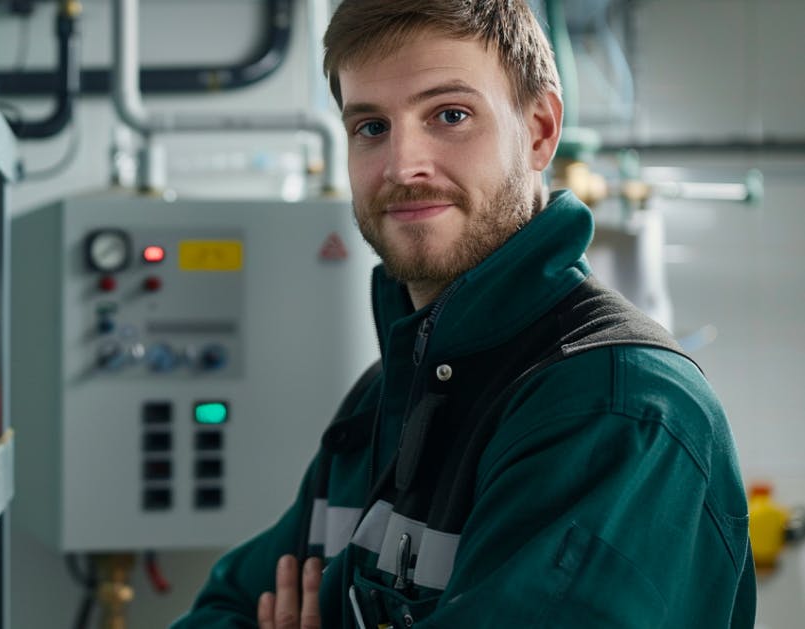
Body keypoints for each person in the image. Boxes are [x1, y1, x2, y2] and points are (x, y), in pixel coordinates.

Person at [173, 1, 755, 627]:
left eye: (450, 115)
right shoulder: (386, 396)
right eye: (371, 127)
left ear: (539, 131)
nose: (402, 166)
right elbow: (228, 606)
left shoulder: (617, 409)